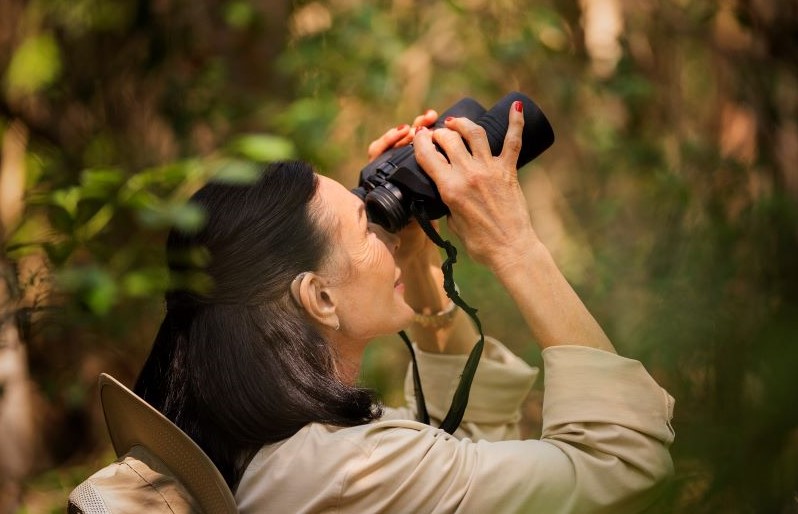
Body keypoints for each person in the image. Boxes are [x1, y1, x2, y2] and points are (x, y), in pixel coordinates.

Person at [135, 103, 675, 513]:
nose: (385, 235)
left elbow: (470, 452)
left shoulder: (282, 448)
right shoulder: (351, 469)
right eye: (363, 226)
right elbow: (626, 463)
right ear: (319, 298)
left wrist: (414, 261)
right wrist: (514, 245)